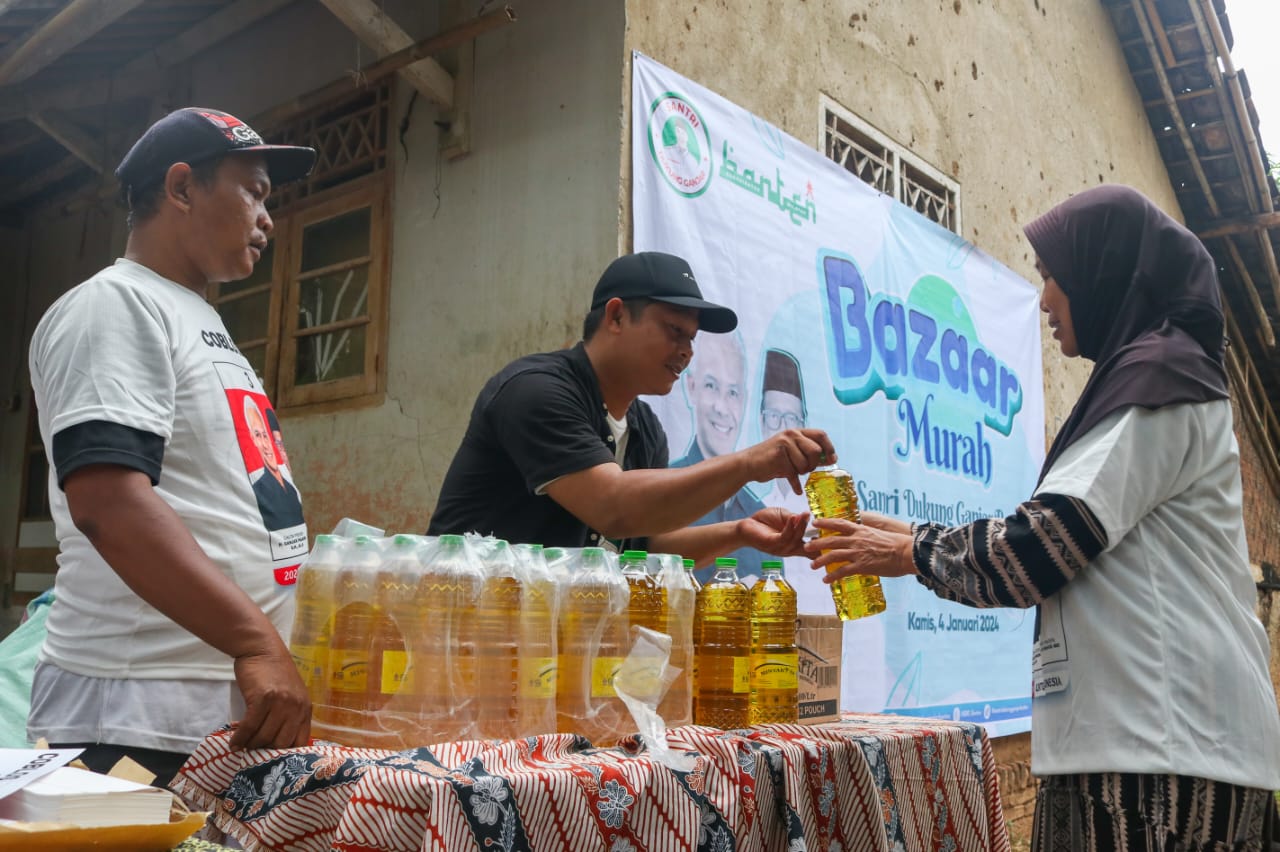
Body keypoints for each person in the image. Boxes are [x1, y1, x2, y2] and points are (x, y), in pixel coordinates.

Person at [805, 185, 1280, 850]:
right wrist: (911, 537)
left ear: (1105, 273)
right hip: (1133, 747)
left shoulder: (1161, 381)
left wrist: (912, 553)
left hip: (1165, 761)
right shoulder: (1142, 381)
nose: (1046, 300)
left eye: (1054, 276)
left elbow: (1043, 547)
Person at [26, 107, 317, 787]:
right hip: (132, 714)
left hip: (207, 712)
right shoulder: (116, 304)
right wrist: (255, 643)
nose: (268, 219)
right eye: (255, 192)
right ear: (182, 189)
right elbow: (108, 499)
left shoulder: (198, 319)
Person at [428, 251, 835, 567]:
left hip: (547, 644)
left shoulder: (644, 429)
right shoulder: (536, 391)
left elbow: (643, 547)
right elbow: (614, 509)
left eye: (692, 339)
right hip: (464, 627)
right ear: (617, 316)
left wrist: (741, 532)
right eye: (675, 331)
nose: (686, 352)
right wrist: (749, 463)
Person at [671, 331, 768, 580]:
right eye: (711, 387)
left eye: (733, 393)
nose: (722, 408)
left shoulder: (761, 518)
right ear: (691, 388)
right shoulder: (661, 493)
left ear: (745, 401)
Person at [245, 398, 304, 532]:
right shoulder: (257, 490)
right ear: (253, 440)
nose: (281, 452)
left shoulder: (291, 490)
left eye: (265, 436)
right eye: (258, 436)